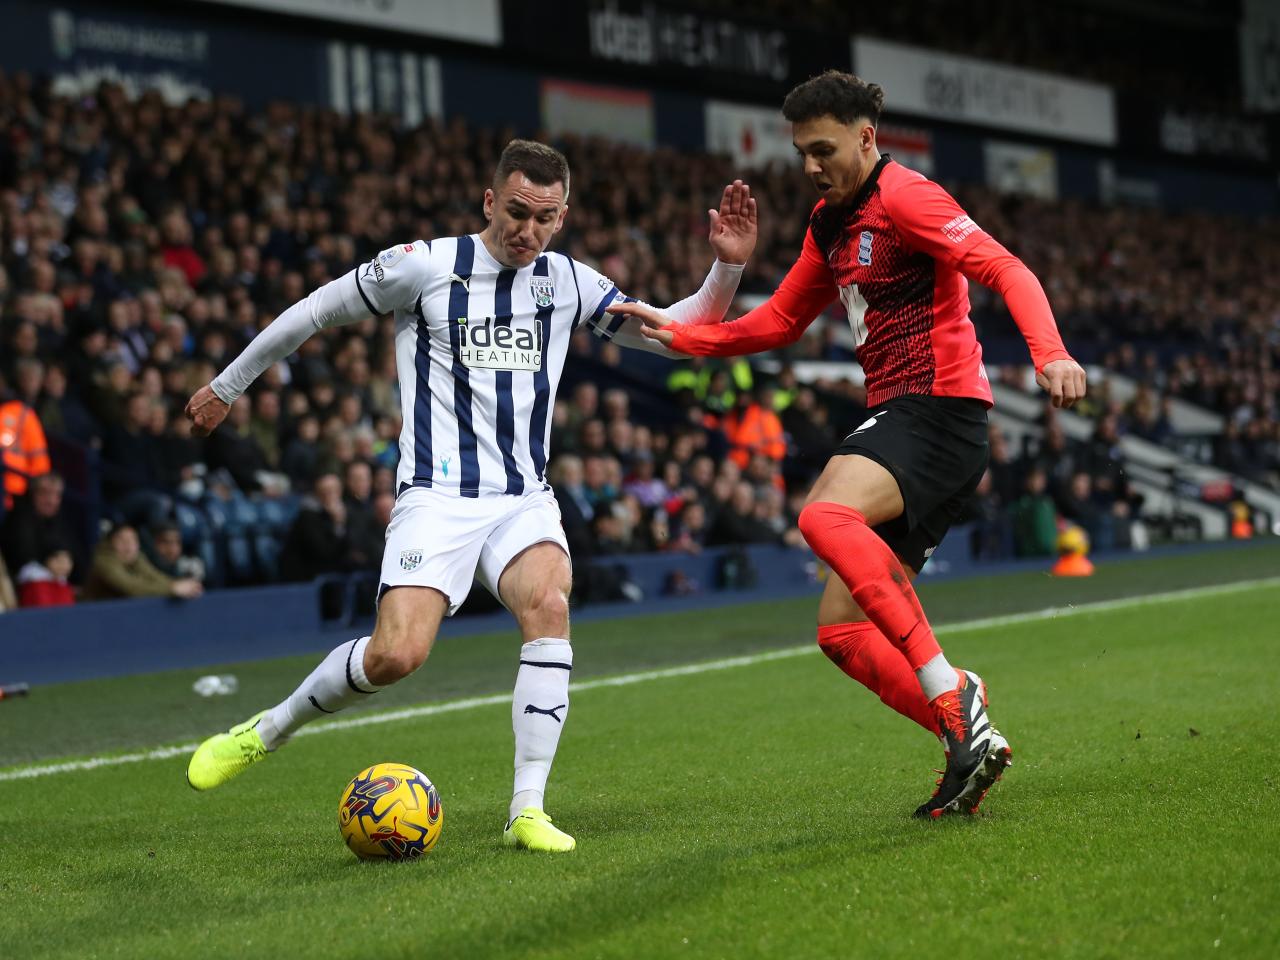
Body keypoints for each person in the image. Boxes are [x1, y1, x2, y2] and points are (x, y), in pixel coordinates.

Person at [181, 140, 757, 853]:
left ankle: (526, 810)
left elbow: (678, 334)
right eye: (516, 212)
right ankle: (267, 730)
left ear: (563, 217)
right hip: (438, 494)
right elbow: (313, 312)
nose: (528, 231)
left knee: (549, 605)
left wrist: (727, 266)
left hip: (522, 498)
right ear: (490, 202)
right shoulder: (425, 266)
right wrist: (226, 386)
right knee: (396, 656)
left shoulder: (568, 283)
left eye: (545, 219)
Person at [610, 71, 1086, 819]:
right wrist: (682, 333)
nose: (810, 166)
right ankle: (967, 735)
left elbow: (1006, 268)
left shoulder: (908, 197)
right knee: (840, 629)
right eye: (802, 151)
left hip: (939, 411)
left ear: (868, 138)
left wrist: (1050, 352)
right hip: (906, 419)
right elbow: (778, 323)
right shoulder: (829, 222)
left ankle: (950, 689)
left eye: (823, 149)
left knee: (823, 517)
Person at [82, 523, 204, 601]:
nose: (128, 546)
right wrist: (172, 588)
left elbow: (153, 576)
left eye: (132, 541)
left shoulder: (136, 557)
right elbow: (131, 587)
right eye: (122, 541)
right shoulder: (104, 560)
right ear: (110, 543)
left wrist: (180, 585)